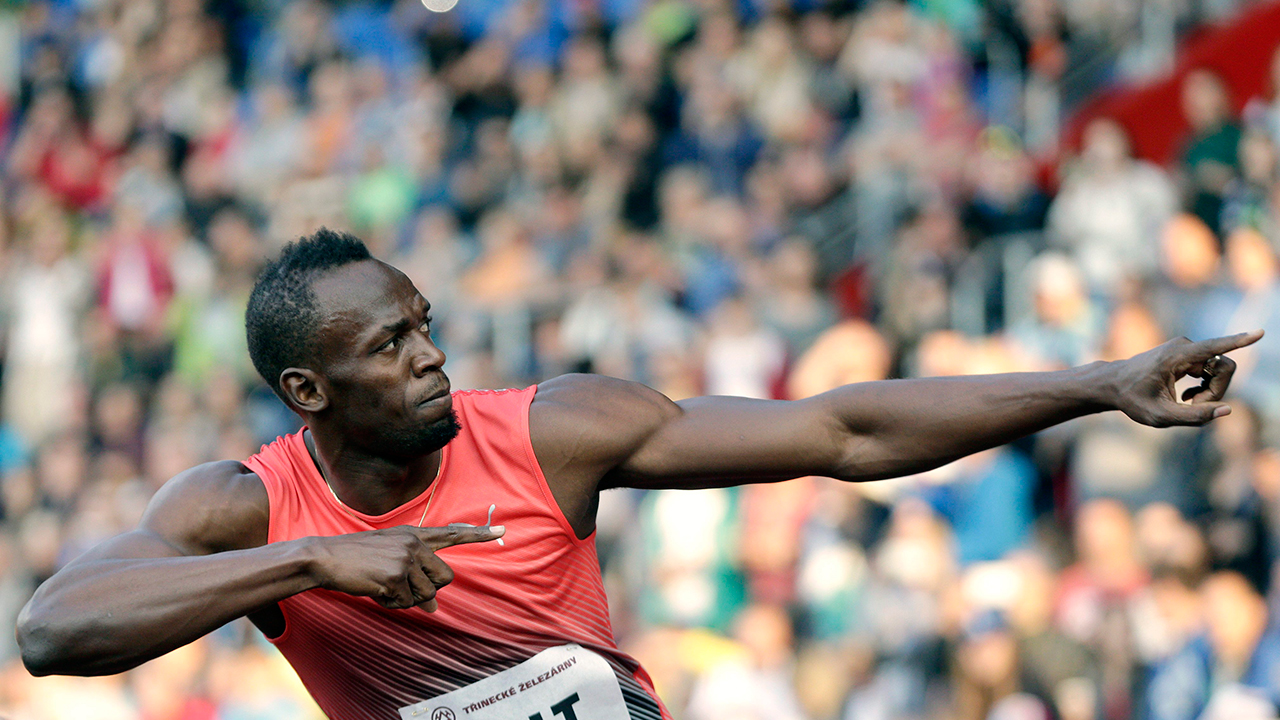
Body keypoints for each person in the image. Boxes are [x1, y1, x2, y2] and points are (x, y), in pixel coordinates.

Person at [15, 229, 1262, 720]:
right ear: (308, 391)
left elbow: (840, 432)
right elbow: (51, 633)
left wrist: (1098, 382)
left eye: (425, 322)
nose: (432, 355)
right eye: (389, 347)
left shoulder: (551, 431)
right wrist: (305, 562)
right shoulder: (246, 506)